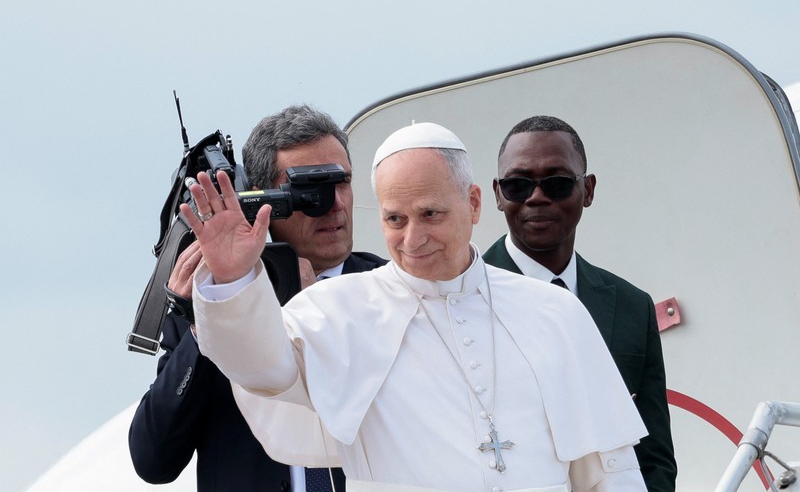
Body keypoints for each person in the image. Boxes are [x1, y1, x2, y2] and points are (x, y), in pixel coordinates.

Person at [182, 121, 649, 492]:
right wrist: (234, 279)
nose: (413, 238)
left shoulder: (555, 314)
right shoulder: (336, 311)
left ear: (473, 203)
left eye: (431, 215)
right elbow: (263, 370)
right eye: (394, 219)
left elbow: (609, 470)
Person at [128, 105, 386, 491]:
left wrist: (328, 320)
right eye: (309, 188)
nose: (333, 204)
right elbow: (153, 460)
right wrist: (210, 323)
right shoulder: (216, 302)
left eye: (342, 182)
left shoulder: (390, 290)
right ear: (261, 199)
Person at [483, 115, 677, 492]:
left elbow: (653, 456)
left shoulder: (632, 306)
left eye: (556, 183)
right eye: (518, 185)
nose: (537, 197)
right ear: (497, 194)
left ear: (587, 190)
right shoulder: (460, 295)